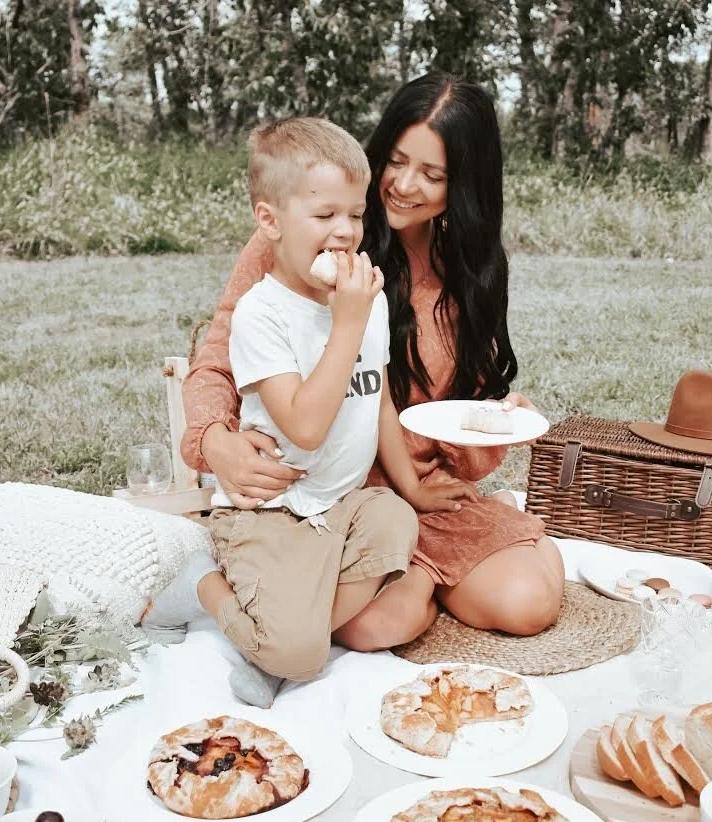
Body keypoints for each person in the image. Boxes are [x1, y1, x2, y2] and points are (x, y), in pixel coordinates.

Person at [177, 71, 565, 658]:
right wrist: (213, 440)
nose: (405, 186)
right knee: (371, 629)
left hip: (414, 492)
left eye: (433, 175)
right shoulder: (306, 234)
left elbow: (447, 411)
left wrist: (495, 422)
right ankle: (418, 586)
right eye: (397, 161)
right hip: (330, 490)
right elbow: (217, 360)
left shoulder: (469, 270)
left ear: (463, 185)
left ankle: (464, 560)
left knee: (528, 606)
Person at [147, 117, 476, 708]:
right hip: (271, 510)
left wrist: (412, 489)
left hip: (344, 503)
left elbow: (378, 401)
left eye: (355, 214)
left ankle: (281, 634)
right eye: (325, 216)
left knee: (397, 524)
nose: (346, 232)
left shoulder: (362, 297)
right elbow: (304, 425)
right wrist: (348, 325)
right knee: (302, 658)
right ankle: (205, 586)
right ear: (270, 221)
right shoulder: (264, 314)